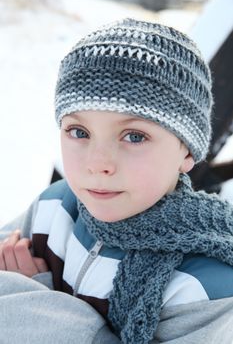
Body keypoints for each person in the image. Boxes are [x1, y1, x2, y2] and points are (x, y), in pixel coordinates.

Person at [1, 18, 233, 344]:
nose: (98, 164)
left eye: (134, 136)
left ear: (186, 152)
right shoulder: (54, 207)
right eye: (79, 132)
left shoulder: (205, 285)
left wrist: (33, 304)